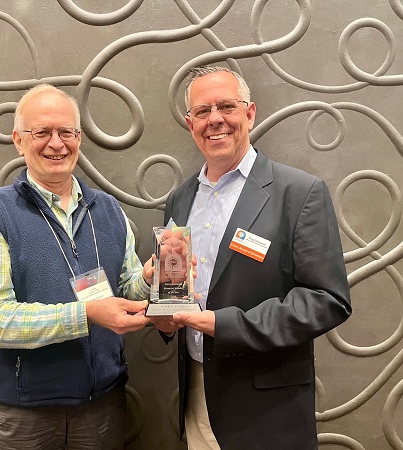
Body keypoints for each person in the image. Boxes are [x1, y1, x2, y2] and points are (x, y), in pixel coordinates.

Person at [153, 66, 352, 449]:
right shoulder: (180, 199)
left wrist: (224, 325)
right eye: (202, 111)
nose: (215, 119)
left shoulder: (300, 193)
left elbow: (328, 301)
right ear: (190, 123)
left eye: (226, 106)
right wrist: (164, 317)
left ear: (249, 113)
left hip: (267, 410)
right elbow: (176, 288)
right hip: (196, 393)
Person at [0, 84, 153, 450]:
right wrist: (85, 315)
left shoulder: (109, 209)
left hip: (103, 405)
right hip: (23, 415)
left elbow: (126, 290)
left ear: (79, 138)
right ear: (18, 141)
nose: (56, 143)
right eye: (42, 132)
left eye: (66, 132)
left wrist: (148, 278)